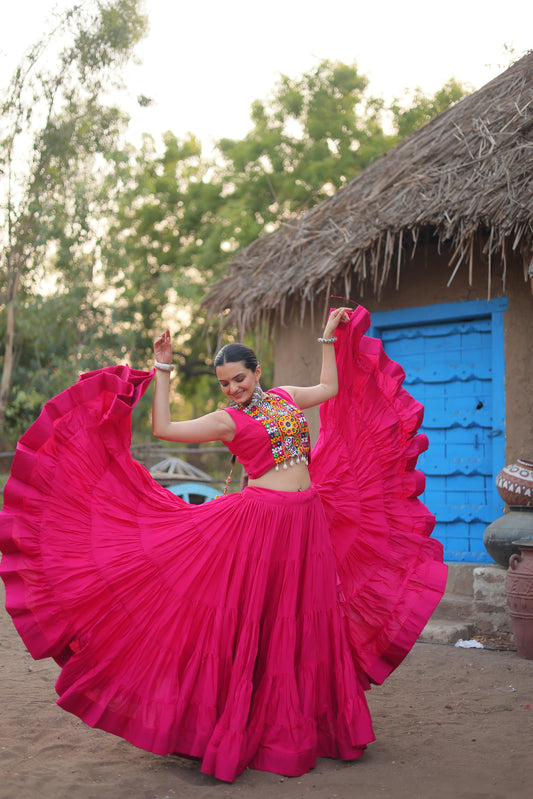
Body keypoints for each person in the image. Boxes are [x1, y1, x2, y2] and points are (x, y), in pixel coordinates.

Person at [0, 305, 447, 783]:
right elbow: (164, 429)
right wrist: (164, 369)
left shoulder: (285, 396)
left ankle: (309, 725)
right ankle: (241, 722)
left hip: (307, 518)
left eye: (239, 378)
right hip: (262, 523)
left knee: (303, 619)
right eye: (225, 384)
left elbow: (331, 389)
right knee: (260, 619)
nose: (234, 389)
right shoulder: (226, 420)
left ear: (256, 371)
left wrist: (325, 338)